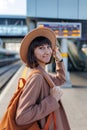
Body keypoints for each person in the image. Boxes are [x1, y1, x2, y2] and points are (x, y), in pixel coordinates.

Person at [15, 27, 71, 130]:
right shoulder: (37, 77)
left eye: (48, 47)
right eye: (41, 48)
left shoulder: (42, 72)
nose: (47, 51)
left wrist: (59, 61)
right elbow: (22, 116)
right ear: (32, 52)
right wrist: (52, 100)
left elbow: (61, 79)